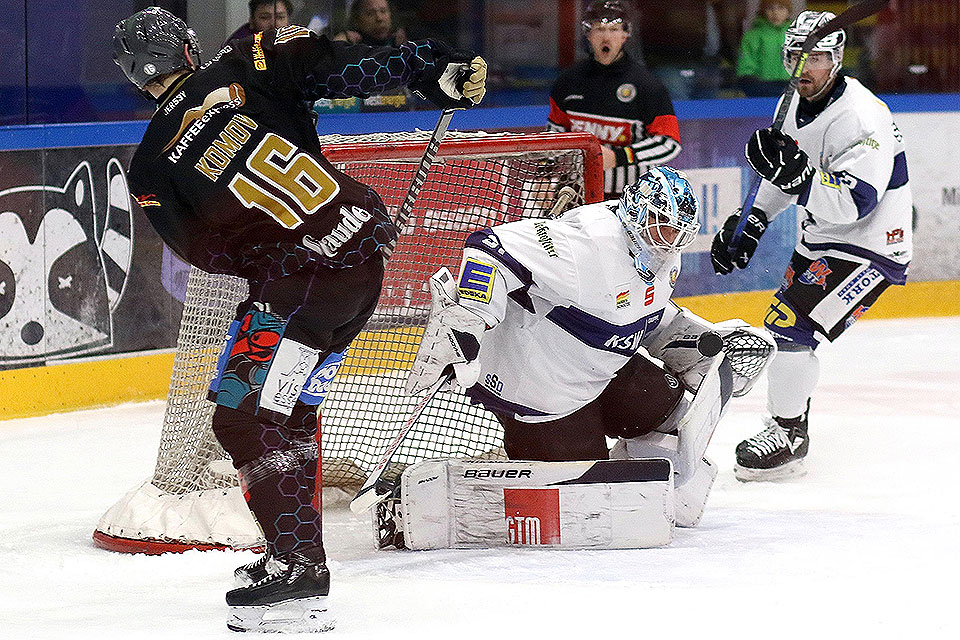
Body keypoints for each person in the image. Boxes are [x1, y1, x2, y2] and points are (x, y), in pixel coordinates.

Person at [113, 6, 485, 633]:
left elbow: (207, 253)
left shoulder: (151, 165)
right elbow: (342, 65)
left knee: (239, 412)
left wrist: (270, 260)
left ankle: (297, 560)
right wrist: (432, 70)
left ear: (132, 73)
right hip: (362, 255)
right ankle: (299, 557)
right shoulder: (246, 60)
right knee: (288, 409)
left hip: (296, 287)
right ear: (185, 48)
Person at [407, 167, 775, 527]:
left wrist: (696, 344)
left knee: (676, 422)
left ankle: (629, 467)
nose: (669, 242)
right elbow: (487, 248)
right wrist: (470, 318)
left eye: (679, 234)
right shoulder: (586, 245)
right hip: (539, 390)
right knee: (593, 502)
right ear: (636, 213)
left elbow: (647, 313)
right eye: (662, 227)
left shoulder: (662, 253)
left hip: (598, 366)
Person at [711, 11, 912, 482]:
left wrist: (800, 179)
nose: (805, 67)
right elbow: (785, 175)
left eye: (817, 57)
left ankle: (789, 433)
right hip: (823, 237)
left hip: (872, 245)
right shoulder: (791, 104)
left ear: (837, 60)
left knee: (787, 326)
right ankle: (790, 423)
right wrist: (752, 222)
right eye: (797, 56)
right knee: (788, 328)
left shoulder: (862, 116)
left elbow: (857, 203)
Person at [547, 1, 681, 200]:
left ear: (625, 35)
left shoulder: (648, 86)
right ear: (588, 34)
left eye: (614, 29)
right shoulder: (568, 82)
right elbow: (554, 137)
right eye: (599, 29)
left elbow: (669, 143)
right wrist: (549, 179)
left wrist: (620, 157)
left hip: (630, 200)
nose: (606, 36)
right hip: (578, 195)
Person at [736, 0, 793, 97]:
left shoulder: (797, 35)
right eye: (770, 8)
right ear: (763, 11)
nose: (775, 13)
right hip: (762, 87)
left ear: (789, 11)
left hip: (792, 86)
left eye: (781, 8)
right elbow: (746, 64)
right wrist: (750, 80)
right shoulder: (753, 36)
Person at [332, 0, 406, 47]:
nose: (379, 18)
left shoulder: (398, 40)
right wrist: (341, 41)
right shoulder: (352, 41)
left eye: (383, 11)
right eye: (370, 14)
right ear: (357, 19)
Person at [225, 0, 292, 43]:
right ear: (252, 21)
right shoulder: (239, 45)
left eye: (280, 17)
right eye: (265, 17)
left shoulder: (295, 41)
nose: (274, 24)